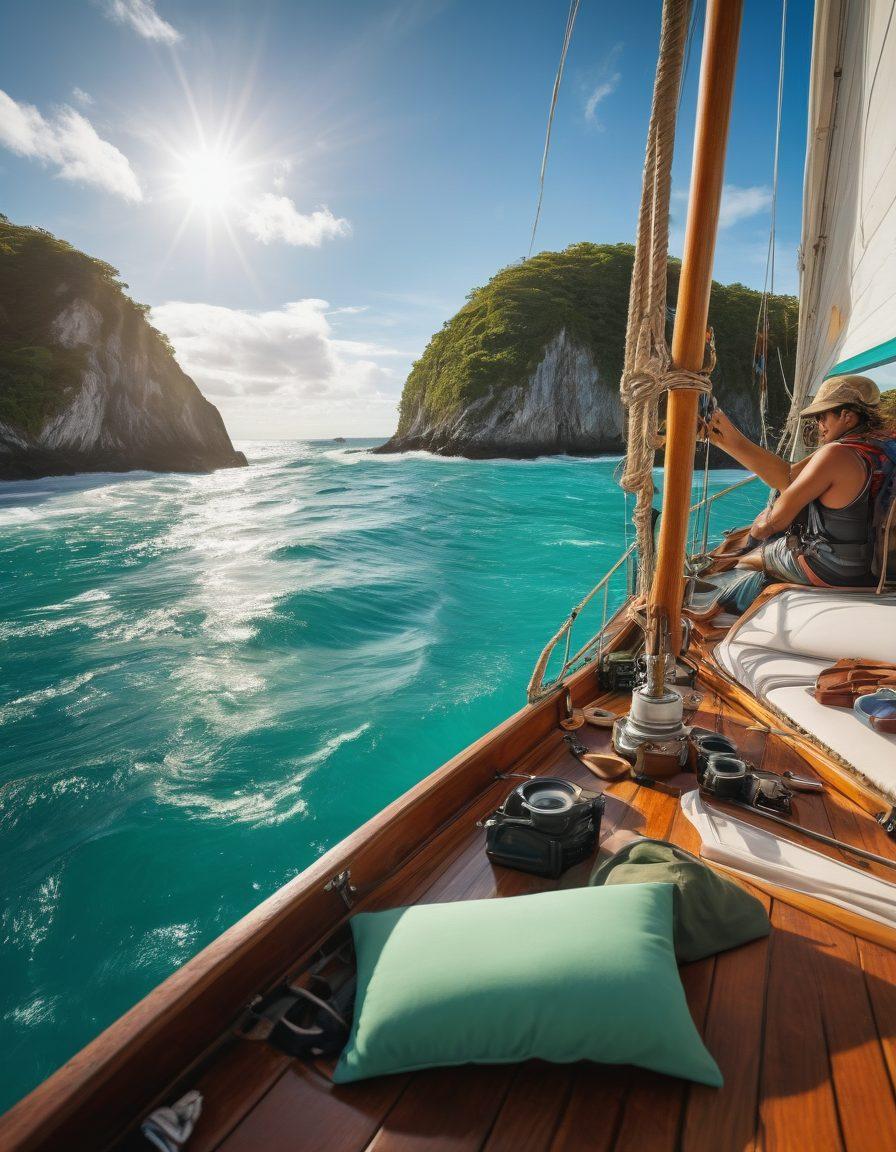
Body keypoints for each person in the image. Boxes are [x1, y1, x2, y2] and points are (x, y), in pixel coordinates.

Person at [705, 374, 892, 612]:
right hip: (883, 569)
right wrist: (728, 440)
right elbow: (789, 476)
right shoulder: (882, 447)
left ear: (847, 416)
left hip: (837, 568)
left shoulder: (837, 454)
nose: (818, 423)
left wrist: (753, 536)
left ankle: (717, 608)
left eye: (822, 416)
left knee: (750, 558)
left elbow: (774, 522)